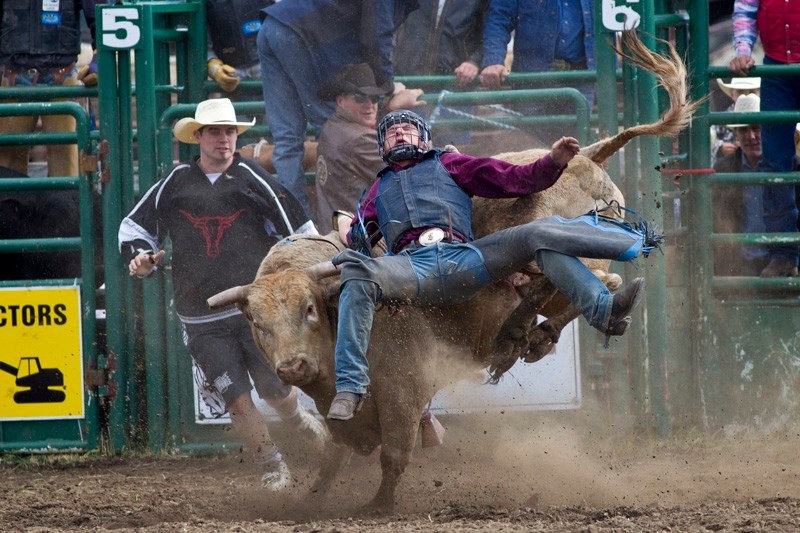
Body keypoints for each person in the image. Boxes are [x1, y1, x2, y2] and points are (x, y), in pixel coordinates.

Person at [325, 110, 656, 420]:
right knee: (356, 270)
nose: (399, 135)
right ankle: (351, 387)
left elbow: (511, 178)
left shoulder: (450, 164)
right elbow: (359, 239)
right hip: (411, 268)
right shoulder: (375, 192)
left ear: (423, 139)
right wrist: (347, 225)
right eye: (391, 133)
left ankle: (604, 310)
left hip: (466, 257)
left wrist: (553, 162)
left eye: (406, 130)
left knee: (537, 234)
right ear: (382, 146)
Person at [118, 98, 327, 488]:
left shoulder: (253, 179)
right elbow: (134, 229)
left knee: (276, 387)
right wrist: (141, 259)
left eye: (230, 132)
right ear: (197, 136)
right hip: (199, 314)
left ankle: (299, 421)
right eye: (215, 131)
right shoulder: (175, 183)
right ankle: (270, 464)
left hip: (254, 310)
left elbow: (301, 230)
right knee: (236, 397)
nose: (224, 139)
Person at [256, 0, 423, 218]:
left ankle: (298, 225)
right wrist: (387, 87)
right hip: (302, 33)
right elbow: (377, 35)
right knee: (334, 125)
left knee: (287, 139)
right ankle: (338, 222)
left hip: (274, 22)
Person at [730, 0, 800, 277]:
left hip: (777, 69)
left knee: (776, 166)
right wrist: (743, 50)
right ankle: (783, 254)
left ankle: (784, 254)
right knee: (774, 166)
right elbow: (745, 10)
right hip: (776, 69)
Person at [314, 63, 425, 234]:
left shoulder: (331, 127)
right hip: (357, 238)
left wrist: (390, 109)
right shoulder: (361, 140)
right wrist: (397, 111)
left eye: (374, 99)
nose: (370, 105)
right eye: (360, 98)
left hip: (333, 231)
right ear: (340, 101)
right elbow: (416, 171)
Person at [0, 0, 101, 178]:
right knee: (7, 166)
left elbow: (102, 15)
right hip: (21, 75)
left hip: (56, 76)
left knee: (67, 165)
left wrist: (99, 59)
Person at [479, 0, 595, 143]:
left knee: (578, 148)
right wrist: (493, 60)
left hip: (580, 77)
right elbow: (500, 17)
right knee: (531, 145)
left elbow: (616, 16)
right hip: (534, 78)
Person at [393, 0, 488, 146]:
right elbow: (387, 30)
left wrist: (474, 61)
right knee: (408, 151)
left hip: (455, 87)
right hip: (409, 85)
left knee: (454, 155)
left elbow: (491, 31)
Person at [713, 94, 769, 276]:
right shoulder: (723, 168)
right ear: (736, 134)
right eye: (744, 130)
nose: (751, 136)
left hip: (777, 260)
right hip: (738, 263)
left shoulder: (790, 166)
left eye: (756, 128)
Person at [205, 0, 271, 97]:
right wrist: (215, 69)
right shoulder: (207, 3)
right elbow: (202, 48)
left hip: (267, 69)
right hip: (232, 74)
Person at [711, 77, 761, 166]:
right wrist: (720, 147)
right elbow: (709, 143)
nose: (746, 96)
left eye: (752, 92)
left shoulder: (768, 116)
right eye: (740, 92)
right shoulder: (721, 119)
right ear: (732, 94)